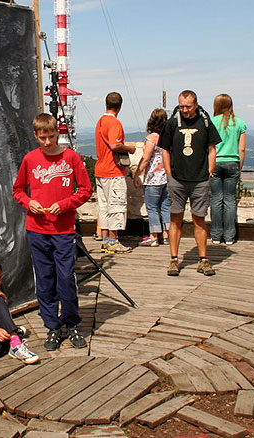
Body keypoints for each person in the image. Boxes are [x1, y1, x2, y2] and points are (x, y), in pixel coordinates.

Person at [13, 113, 93, 351]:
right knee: (45, 279)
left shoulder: (71, 158)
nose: (47, 142)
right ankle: (53, 326)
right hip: (36, 229)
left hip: (63, 229)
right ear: (35, 135)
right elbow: (18, 190)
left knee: (66, 278)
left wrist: (66, 204)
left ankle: (72, 323)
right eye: (42, 138)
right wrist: (29, 203)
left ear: (57, 133)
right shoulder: (30, 159)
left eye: (51, 136)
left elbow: (86, 190)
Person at [159, 90, 222, 277]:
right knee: (175, 219)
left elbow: (212, 149)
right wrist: (169, 174)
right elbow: (165, 150)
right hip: (177, 179)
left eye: (188, 106)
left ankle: (203, 259)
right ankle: (173, 259)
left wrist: (209, 172)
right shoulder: (171, 123)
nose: (185, 110)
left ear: (195, 105)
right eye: (181, 106)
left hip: (200, 179)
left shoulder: (205, 123)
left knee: (199, 220)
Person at [94, 92, 136, 254]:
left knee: (104, 207)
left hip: (100, 169)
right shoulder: (114, 123)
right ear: (120, 106)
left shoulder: (100, 121)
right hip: (113, 171)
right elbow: (114, 145)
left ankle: (105, 240)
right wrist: (130, 149)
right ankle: (113, 241)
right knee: (117, 206)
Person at [210, 94, 247, 245]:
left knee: (216, 199)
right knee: (230, 200)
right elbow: (242, 149)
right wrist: (240, 167)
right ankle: (230, 236)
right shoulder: (239, 123)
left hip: (215, 162)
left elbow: (208, 147)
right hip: (232, 162)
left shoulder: (211, 122)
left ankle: (216, 235)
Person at [132, 108, 171, 247]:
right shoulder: (169, 136)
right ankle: (166, 235)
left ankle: (154, 236)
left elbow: (146, 158)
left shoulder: (152, 138)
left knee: (152, 208)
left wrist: (137, 174)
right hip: (166, 177)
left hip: (153, 178)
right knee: (165, 206)